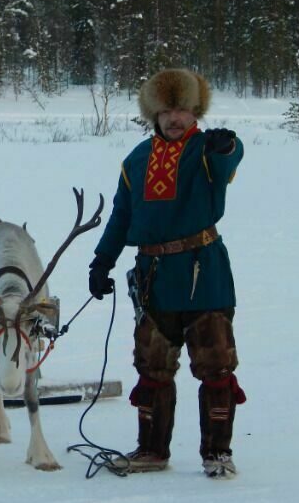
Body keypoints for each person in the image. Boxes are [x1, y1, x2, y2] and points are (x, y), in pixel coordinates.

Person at [88, 68, 246, 478]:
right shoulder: (136, 161)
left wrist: (228, 146)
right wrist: (101, 261)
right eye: (167, 111)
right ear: (154, 115)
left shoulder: (207, 149)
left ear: (195, 113)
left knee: (215, 366)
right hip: (154, 277)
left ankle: (217, 454)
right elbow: (122, 217)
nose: (175, 119)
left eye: (183, 110)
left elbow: (232, 157)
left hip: (203, 275)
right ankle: (152, 451)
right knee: (152, 367)